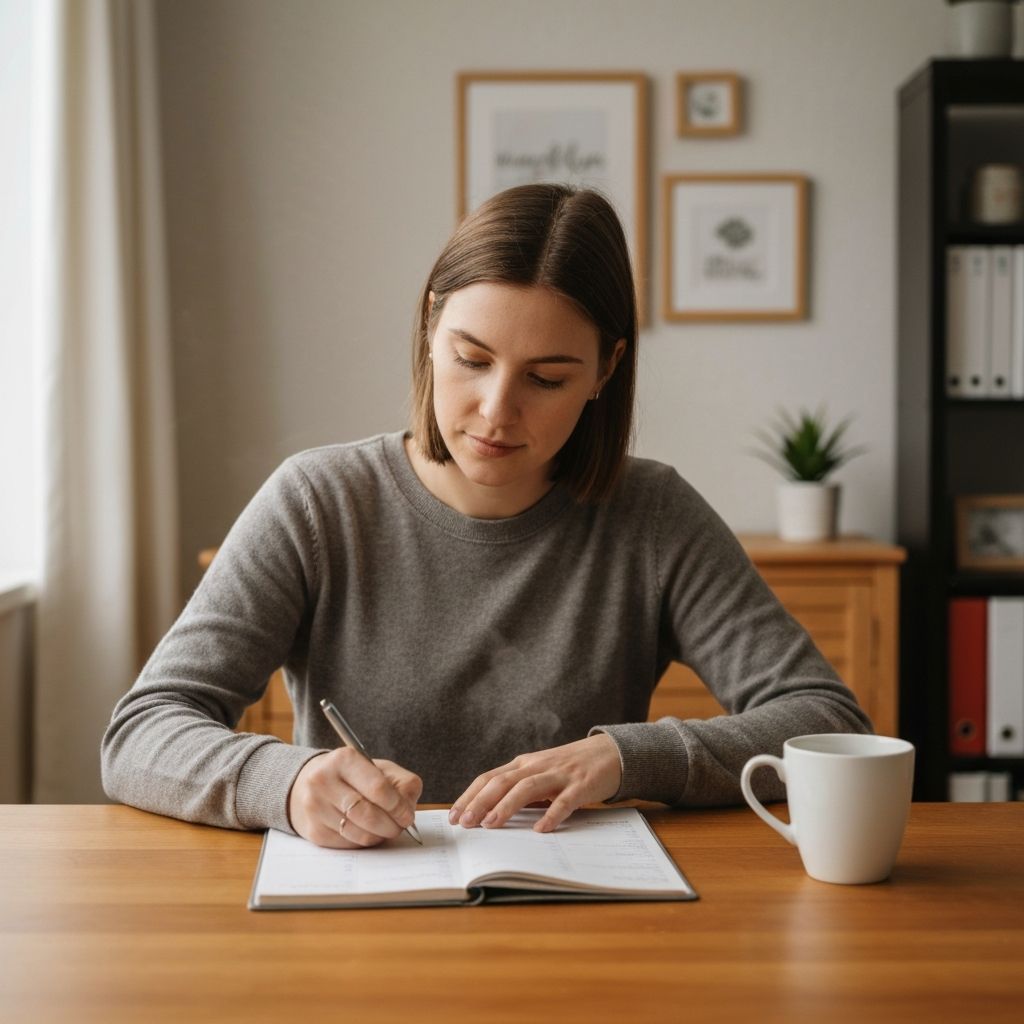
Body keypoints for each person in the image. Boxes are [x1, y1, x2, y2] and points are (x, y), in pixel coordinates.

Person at [101, 183, 872, 850]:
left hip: (582, 919)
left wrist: (627, 759)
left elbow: (825, 720)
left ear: (606, 370)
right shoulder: (317, 501)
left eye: (546, 377)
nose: (496, 412)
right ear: (431, 328)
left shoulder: (652, 516)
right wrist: (289, 780)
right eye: (471, 360)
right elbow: (141, 732)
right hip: (360, 931)